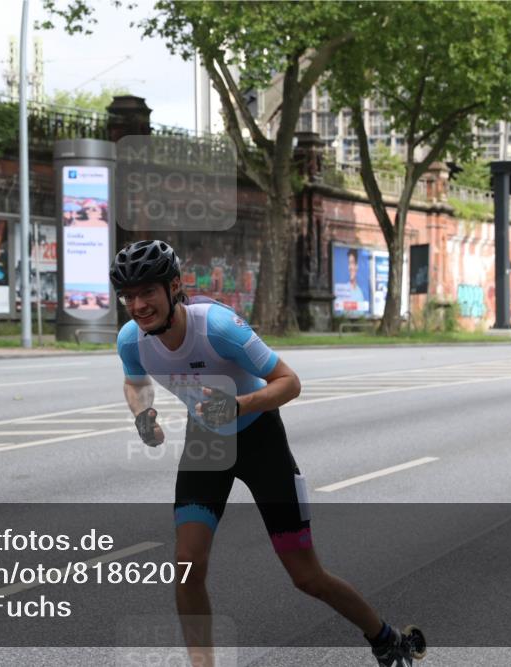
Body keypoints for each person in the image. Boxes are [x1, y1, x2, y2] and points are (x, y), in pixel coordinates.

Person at [112, 240, 425, 667]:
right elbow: (135, 383)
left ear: (174, 286)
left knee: (307, 577)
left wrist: (238, 405)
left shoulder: (218, 327)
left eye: (147, 292)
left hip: (260, 439)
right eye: (128, 296)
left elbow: (289, 382)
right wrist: (142, 414)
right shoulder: (131, 340)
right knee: (187, 564)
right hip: (207, 443)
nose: (138, 305)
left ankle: (386, 638)